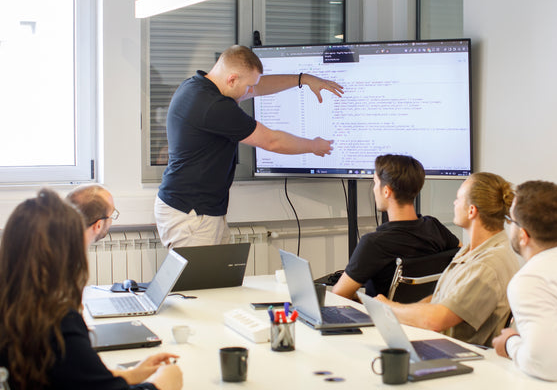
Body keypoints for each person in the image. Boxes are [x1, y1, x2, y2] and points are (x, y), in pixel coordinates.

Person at [155, 45, 344, 249]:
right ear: (232, 79)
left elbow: (259, 86)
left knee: (219, 270)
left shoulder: (196, 86)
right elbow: (272, 141)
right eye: (248, 86)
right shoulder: (214, 106)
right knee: (202, 272)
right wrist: (314, 145)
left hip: (194, 208)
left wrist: (303, 79)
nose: (251, 91)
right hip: (192, 214)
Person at [0, 189, 183, 390]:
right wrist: (162, 383)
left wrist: (132, 374)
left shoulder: (15, 308)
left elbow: (72, 376)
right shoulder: (59, 325)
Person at [375, 172, 521, 346]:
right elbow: (441, 299)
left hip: (458, 352)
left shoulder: (487, 265)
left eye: (458, 198)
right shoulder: (472, 249)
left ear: (471, 210)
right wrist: (404, 312)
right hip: (442, 344)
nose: (454, 203)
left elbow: (436, 320)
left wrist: (388, 308)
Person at [492, 181, 557, 388]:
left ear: (523, 235)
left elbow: (547, 366)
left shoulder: (530, 281)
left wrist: (510, 343)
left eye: (510, 221)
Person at [331, 154, 460, 301]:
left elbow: (339, 294)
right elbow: (464, 256)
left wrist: (369, 301)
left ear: (386, 191)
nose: (374, 189)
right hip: (426, 312)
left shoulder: (373, 244)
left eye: (375, 183)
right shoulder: (435, 227)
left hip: (384, 315)